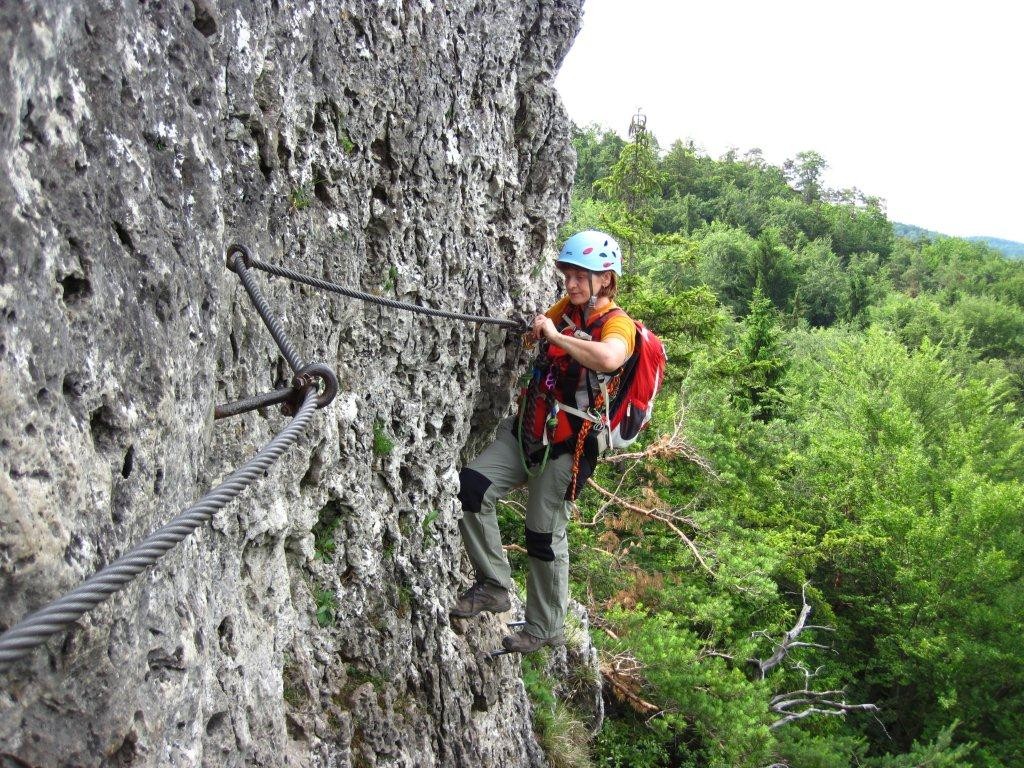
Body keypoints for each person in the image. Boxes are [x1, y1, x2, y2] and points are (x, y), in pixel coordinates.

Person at [451, 230, 636, 653]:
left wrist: (554, 336)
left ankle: (545, 626)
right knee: (472, 486)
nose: (570, 283)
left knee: (542, 532)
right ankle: (494, 584)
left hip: (570, 447)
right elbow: (545, 326)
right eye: (568, 274)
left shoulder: (617, 324)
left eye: (580, 276)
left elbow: (610, 357)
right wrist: (540, 330)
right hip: (529, 430)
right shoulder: (568, 311)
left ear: (605, 279)